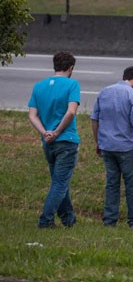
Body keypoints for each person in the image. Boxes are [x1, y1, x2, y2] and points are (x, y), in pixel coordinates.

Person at [91, 66, 133, 228]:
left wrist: (98, 142)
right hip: (126, 148)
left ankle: (109, 221)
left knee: (112, 184)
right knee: (131, 185)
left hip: (107, 146)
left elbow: (95, 120)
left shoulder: (104, 92)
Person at [28, 51, 80, 228]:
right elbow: (71, 111)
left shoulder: (39, 86)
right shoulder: (72, 84)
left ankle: (68, 218)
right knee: (60, 183)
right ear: (71, 68)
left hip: (47, 142)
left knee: (59, 181)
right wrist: (57, 132)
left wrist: (45, 132)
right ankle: (46, 220)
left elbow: (32, 115)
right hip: (66, 139)